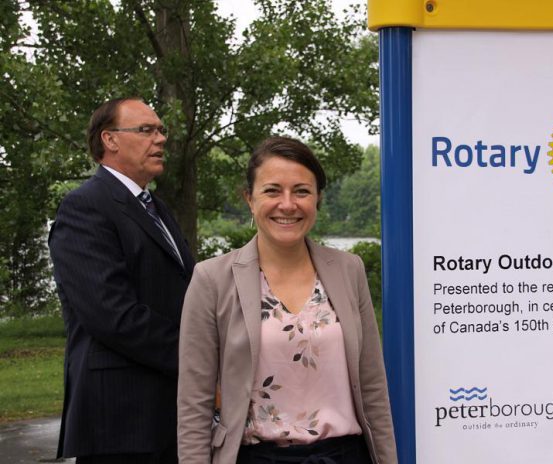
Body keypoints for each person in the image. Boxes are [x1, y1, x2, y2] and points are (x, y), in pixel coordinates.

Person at [178, 136, 397, 463]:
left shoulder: (349, 270)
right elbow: (194, 404)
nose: (288, 203)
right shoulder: (212, 279)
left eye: (302, 191)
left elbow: (373, 388)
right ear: (249, 199)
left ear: (318, 200)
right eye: (272, 190)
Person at [49, 97, 194, 463]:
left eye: (162, 130)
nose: (160, 139)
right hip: (119, 422)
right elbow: (112, 315)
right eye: (146, 130)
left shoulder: (157, 209)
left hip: (169, 415)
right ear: (110, 139)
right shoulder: (85, 207)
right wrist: (200, 358)